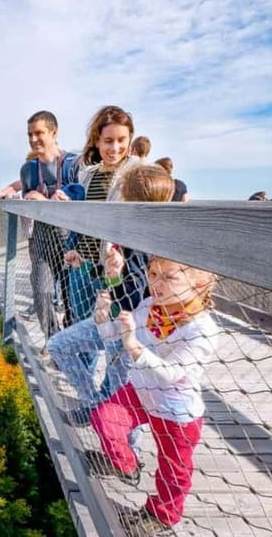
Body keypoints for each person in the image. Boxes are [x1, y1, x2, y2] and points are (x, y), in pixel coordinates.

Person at [88, 256, 219, 533]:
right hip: (141, 391)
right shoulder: (150, 306)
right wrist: (102, 319)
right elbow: (114, 335)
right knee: (105, 419)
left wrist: (135, 347)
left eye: (169, 277)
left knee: (173, 470)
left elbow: (173, 374)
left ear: (198, 285)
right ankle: (127, 466)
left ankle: (162, 516)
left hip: (176, 410)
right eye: (153, 274)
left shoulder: (202, 328)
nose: (156, 284)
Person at [47, 165, 175, 427]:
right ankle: (95, 409)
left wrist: (113, 277)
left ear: (132, 201)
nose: (116, 199)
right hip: (117, 322)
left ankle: (127, 457)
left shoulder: (141, 242)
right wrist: (89, 266)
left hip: (131, 330)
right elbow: (123, 280)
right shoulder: (136, 235)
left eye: (121, 194)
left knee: (121, 395)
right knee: (61, 346)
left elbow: (132, 298)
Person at [0, 111, 79, 336]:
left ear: (54, 133)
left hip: (71, 239)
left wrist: (46, 201)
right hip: (41, 237)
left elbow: (81, 197)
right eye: (30, 134)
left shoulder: (72, 165)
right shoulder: (29, 169)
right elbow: (25, 185)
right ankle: (54, 340)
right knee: (42, 293)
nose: (33, 139)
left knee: (73, 299)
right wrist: (10, 190)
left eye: (39, 133)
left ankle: (70, 343)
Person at [63, 106, 140, 324]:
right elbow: (80, 218)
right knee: (81, 325)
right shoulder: (87, 174)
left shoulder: (135, 174)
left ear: (130, 140)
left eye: (121, 140)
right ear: (97, 141)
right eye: (108, 141)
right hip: (82, 264)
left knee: (116, 331)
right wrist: (72, 247)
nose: (115, 148)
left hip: (114, 269)